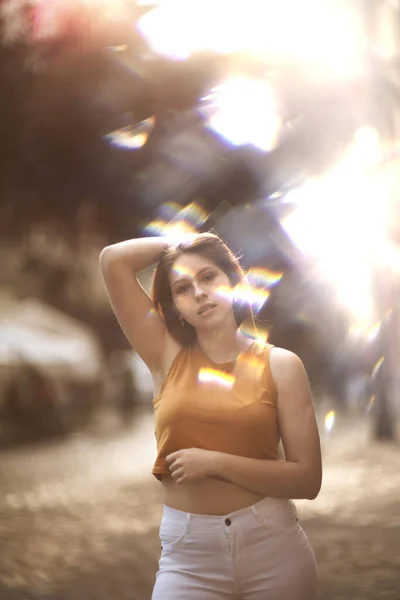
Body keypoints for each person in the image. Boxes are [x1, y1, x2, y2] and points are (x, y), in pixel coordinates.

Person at [99, 232, 322, 600]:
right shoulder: (164, 357)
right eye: (183, 288)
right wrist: (182, 244)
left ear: (232, 281)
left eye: (208, 277)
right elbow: (112, 259)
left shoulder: (281, 365)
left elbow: (307, 480)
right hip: (189, 559)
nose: (199, 292)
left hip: (274, 552)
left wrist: (216, 463)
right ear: (176, 308)